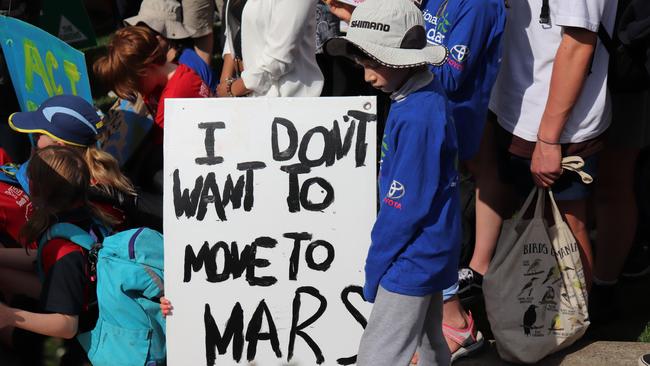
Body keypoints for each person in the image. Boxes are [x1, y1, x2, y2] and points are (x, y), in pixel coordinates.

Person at [324, 0, 460, 364]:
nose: (367, 75)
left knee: (378, 353)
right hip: (431, 247)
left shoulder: (418, 117)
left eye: (375, 62)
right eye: (362, 62)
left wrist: (375, 266)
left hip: (410, 255)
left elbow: (404, 209)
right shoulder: (421, 97)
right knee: (431, 340)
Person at [462, 0, 618, 300]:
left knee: (564, 227)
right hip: (519, 105)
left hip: (557, 122)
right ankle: (531, 312)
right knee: (534, 218)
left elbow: (579, 45)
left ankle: (574, 325)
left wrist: (548, 139)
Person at [0, 145, 112, 344]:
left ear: (33, 188)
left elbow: (67, 326)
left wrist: (9, 315)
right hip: (83, 295)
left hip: (79, 333)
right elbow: (41, 257)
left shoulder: (64, 251)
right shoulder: (82, 213)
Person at [216, 0, 324, 97]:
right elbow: (236, 26)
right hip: (246, 94)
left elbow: (279, 58)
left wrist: (235, 88)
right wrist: (226, 80)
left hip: (285, 98)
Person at [124, 0, 217, 91]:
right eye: (140, 34)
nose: (144, 40)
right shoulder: (158, 63)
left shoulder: (188, 67)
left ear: (168, 35)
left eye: (150, 33)